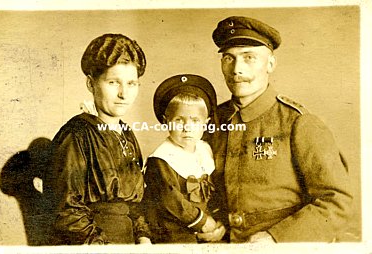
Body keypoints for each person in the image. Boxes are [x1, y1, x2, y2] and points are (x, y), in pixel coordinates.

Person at [199, 16, 353, 243]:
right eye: (228, 58)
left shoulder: (299, 123)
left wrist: (276, 238)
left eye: (249, 57)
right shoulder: (211, 121)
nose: (236, 69)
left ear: (270, 64)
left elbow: (337, 202)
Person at [43, 33, 151, 245]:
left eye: (132, 83)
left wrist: (143, 237)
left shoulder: (127, 135)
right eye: (113, 82)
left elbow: (136, 204)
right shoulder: (77, 134)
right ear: (91, 84)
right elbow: (65, 210)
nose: (124, 94)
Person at [142, 74, 226, 243]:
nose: (187, 127)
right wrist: (201, 221)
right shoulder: (161, 158)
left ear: (206, 123)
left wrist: (217, 219)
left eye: (195, 121)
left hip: (204, 229)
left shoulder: (204, 150)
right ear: (166, 122)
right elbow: (171, 200)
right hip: (173, 230)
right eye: (179, 120)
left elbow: (216, 190)